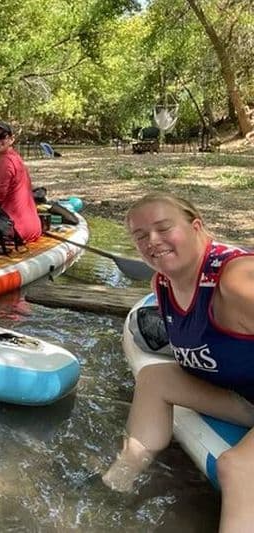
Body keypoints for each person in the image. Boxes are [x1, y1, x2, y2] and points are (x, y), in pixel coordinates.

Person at [103, 192, 254, 532]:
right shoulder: (164, 283)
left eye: (163, 228)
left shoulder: (236, 279)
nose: (152, 241)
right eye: (140, 236)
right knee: (156, 379)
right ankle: (118, 480)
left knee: (238, 468)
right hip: (244, 396)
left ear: (196, 226)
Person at [0, 121, 42, 243]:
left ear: (11, 139)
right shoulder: (15, 158)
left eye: (2, 136)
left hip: (15, 230)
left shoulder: (6, 162)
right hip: (32, 228)